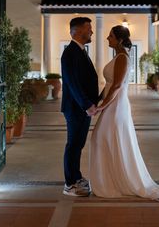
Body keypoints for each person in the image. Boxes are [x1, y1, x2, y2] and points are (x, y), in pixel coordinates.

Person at [89, 25, 159, 201]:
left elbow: (116, 86)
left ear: (120, 40)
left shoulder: (123, 57)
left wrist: (102, 106)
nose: (107, 38)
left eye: (111, 36)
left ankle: (114, 182)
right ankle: (110, 180)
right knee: (104, 139)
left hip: (116, 106)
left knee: (102, 137)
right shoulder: (117, 56)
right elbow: (109, 85)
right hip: (111, 104)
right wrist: (98, 100)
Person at [60, 17, 100, 196]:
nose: (91, 31)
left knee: (78, 144)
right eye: (88, 28)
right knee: (73, 144)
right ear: (77, 31)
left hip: (83, 108)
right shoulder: (69, 53)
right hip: (76, 108)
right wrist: (86, 105)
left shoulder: (80, 51)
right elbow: (73, 83)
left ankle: (76, 177)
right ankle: (70, 183)